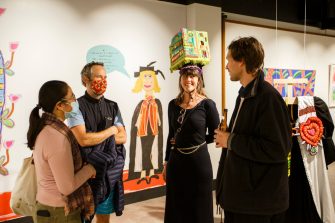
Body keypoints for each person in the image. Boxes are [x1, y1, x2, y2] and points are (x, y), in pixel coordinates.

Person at [214, 36, 292, 223]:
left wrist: (230, 140)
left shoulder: (268, 98)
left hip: (257, 204)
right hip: (242, 199)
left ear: (241, 62)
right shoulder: (245, 94)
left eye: (228, 60)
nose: (226, 66)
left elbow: (278, 149)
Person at [27, 80, 96, 223]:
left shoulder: (46, 128)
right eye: (72, 97)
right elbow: (67, 187)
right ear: (59, 105)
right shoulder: (57, 137)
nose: (76, 101)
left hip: (48, 207)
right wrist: (89, 169)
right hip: (59, 212)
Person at [67, 61, 127, 223]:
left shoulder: (112, 106)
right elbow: (83, 139)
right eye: (98, 77)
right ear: (85, 79)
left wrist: (98, 137)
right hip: (85, 173)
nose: (103, 81)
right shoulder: (75, 107)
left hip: (108, 172)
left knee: (103, 217)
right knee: (83, 218)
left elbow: (123, 137)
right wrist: (111, 130)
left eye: (105, 77)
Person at [163, 64, 220, 223]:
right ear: (180, 79)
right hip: (176, 163)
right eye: (185, 76)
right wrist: (166, 162)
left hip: (198, 163)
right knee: (176, 208)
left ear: (199, 79)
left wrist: (199, 140)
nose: (189, 80)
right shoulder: (172, 105)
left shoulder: (207, 105)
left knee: (199, 209)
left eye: (193, 76)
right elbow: (171, 135)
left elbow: (217, 135)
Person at [128, 61, 164, 185]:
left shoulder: (156, 102)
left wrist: (158, 125)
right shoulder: (141, 104)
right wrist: (137, 127)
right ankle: (143, 174)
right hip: (142, 130)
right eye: (145, 78)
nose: (148, 81)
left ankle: (153, 172)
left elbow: (159, 119)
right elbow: (137, 119)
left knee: (153, 149)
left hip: (154, 129)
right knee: (143, 151)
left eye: (150, 78)